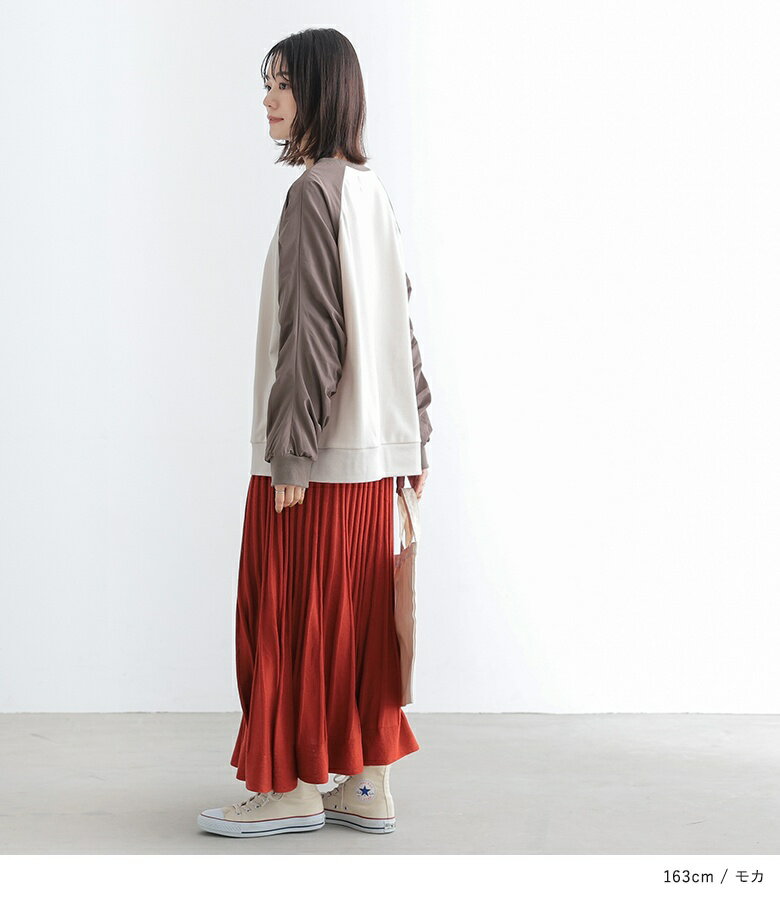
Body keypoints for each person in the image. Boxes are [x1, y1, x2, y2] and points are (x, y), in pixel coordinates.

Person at [197, 27, 432, 839]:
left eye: (284, 84)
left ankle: (293, 788)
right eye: (268, 83)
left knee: (291, 620)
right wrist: (417, 437)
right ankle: (368, 785)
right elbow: (402, 327)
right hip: (373, 460)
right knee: (361, 623)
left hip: (316, 463)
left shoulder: (311, 196)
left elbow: (311, 336)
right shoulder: (371, 191)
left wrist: (289, 454)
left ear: (321, 93)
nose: (268, 100)